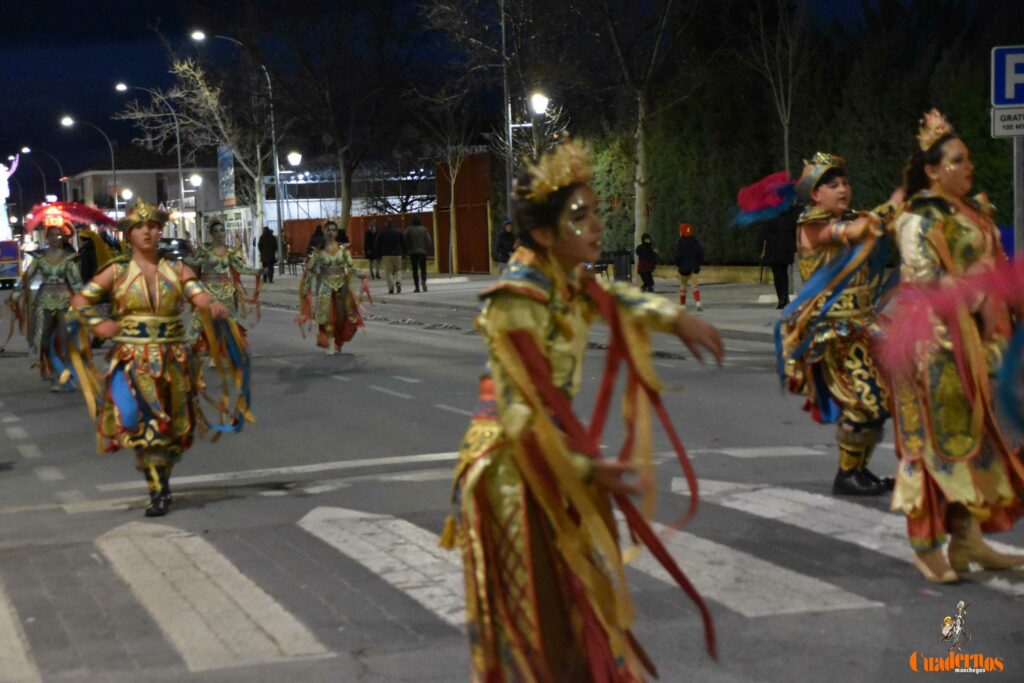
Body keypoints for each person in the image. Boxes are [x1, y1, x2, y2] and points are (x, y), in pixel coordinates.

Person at [446, 141, 722, 681]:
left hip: (555, 460)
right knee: (537, 621)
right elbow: (520, 420)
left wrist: (676, 318)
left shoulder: (567, 280)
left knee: (580, 607)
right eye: (580, 216)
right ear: (545, 234)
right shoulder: (516, 301)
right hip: (510, 472)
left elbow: (617, 298)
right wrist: (586, 470)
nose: (596, 225)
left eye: (594, 212)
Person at [887, 110, 1024, 583]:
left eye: (968, 159)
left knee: (978, 440)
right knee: (932, 446)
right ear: (931, 169)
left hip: (981, 343)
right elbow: (924, 277)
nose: (969, 167)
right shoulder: (918, 217)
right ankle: (926, 545)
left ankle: (966, 540)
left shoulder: (973, 210)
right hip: (935, 343)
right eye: (958, 160)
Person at [66, 199, 249, 517]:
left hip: (173, 357)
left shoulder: (176, 269)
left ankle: (162, 482)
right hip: (133, 358)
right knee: (145, 423)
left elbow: (196, 293)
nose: (148, 232)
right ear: (129, 234)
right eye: (140, 227)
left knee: (173, 427)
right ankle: (158, 490)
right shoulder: (117, 271)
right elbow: (81, 300)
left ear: (160, 231)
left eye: (153, 226)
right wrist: (99, 324)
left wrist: (211, 305)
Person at [778, 152, 901, 496]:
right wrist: (895, 203)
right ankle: (848, 475)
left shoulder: (849, 218)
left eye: (845, 183)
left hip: (862, 324)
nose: (843, 189)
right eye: (833, 185)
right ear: (816, 194)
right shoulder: (812, 226)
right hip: (834, 331)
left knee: (880, 401)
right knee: (866, 401)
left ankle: (856, 470)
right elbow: (862, 229)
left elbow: (874, 226)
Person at [21, 209, 82, 391]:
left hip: (64, 300)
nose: (55, 238)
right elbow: (27, 278)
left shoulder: (68, 258)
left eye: (58, 235)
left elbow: (76, 282)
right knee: (44, 340)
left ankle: (64, 375)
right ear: (46, 238)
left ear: (62, 237)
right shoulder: (39, 258)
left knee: (64, 339)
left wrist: (84, 300)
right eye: (52, 235)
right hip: (44, 300)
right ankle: (54, 373)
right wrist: (16, 295)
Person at [186, 219, 261, 352]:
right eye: (216, 231)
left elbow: (240, 268)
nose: (219, 233)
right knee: (198, 320)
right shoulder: (204, 249)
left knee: (231, 320)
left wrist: (258, 271)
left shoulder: (229, 251)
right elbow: (192, 262)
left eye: (222, 230)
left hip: (225, 290)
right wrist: (184, 259)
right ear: (211, 234)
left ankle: (233, 351)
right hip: (207, 290)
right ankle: (188, 349)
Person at [296, 221, 368, 355]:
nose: (331, 232)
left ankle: (338, 341)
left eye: (333, 230)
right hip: (324, 286)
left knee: (341, 316)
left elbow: (351, 267)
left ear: (336, 232)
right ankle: (330, 342)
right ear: (324, 231)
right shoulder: (318, 252)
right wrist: (306, 288)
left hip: (342, 285)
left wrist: (360, 274)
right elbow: (310, 270)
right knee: (327, 315)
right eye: (328, 229)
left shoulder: (343, 250)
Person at [761, 204, 799, 308]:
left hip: (775, 249)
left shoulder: (771, 216)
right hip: (784, 249)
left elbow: (765, 233)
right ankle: (784, 298)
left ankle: (782, 298)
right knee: (782, 274)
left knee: (778, 275)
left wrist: (763, 250)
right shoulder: (790, 216)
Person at [673, 223, 704, 311]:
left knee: (683, 285)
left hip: (684, 268)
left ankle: (682, 305)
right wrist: (698, 263)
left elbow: (678, 255)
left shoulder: (680, 242)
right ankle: (698, 302)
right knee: (695, 285)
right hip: (694, 267)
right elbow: (700, 253)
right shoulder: (695, 241)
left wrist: (678, 264)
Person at [403, 215, 433, 293]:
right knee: (423, 269)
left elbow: (404, 239)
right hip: (422, 252)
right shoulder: (424, 229)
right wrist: (425, 246)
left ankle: (417, 287)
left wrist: (407, 248)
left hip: (413, 252)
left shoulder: (409, 229)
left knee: (415, 270)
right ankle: (423, 280)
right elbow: (429, 240)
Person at [377, 219, 405, 294]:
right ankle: (398, 282)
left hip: (387, 254)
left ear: (386, 224)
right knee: (398, 270)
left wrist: (378, 254)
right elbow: (403, 242)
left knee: (389, 272)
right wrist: (404, 253)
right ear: (393, 224)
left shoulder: (383, 232)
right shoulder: (398, 231)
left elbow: (378, 243)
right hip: (398, 253)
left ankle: (391, 288)